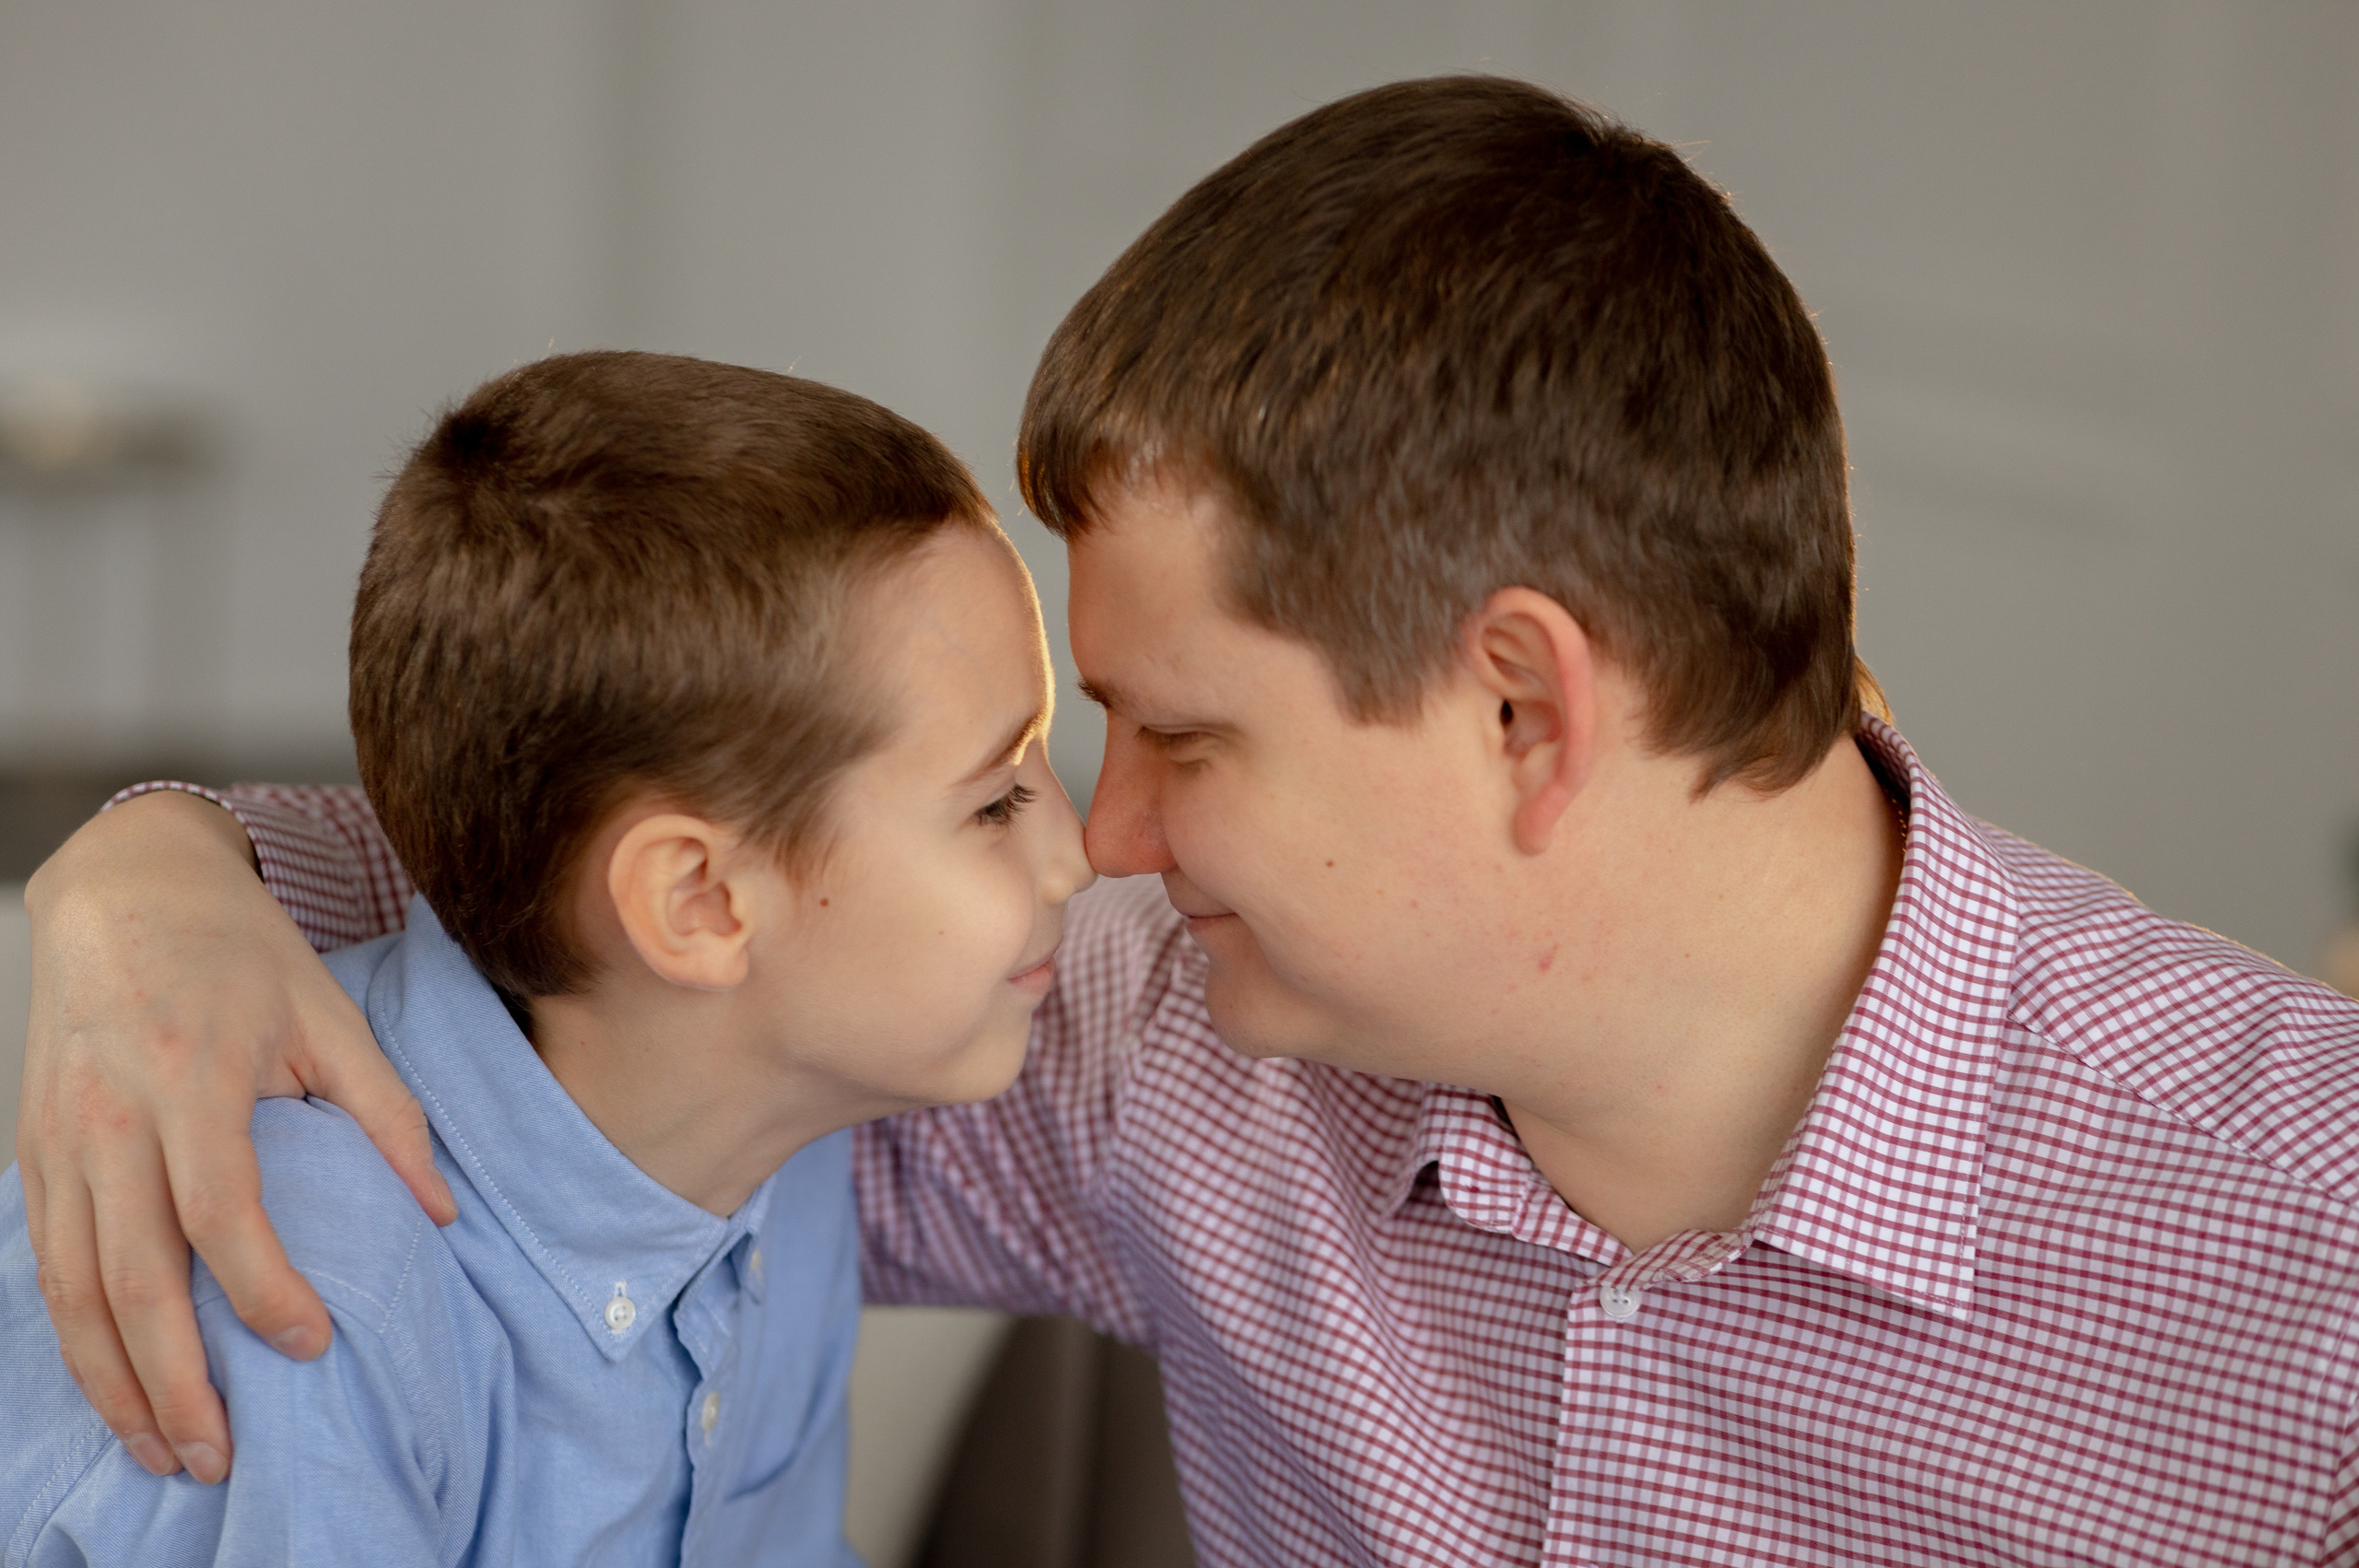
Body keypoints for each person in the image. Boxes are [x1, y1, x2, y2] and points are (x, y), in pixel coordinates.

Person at [22, 76, 2359, 1566]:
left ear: (1525, 709)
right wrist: (148, 870)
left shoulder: (2299, 1266)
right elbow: (619, 930)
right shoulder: (1149, 1046)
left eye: (1183, 738)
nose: (1104, 839)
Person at [1, 351, 1093, 1564]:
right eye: (999, 799)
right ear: (699, 902)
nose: (1078, 854)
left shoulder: (787, 1150)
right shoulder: (308, 1302)